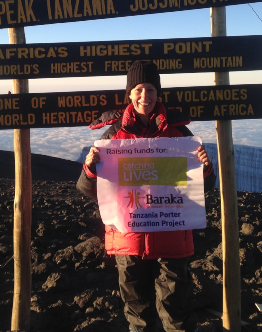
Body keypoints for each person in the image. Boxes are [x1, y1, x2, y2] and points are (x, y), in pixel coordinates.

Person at [76, 60, 216, 332]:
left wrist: (205, 168)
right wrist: (90, 168)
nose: (145, 96)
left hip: (171, 238)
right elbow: (87, 189)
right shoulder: (113, 135)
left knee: (177, 316)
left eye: (150, 89)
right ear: (129, 94)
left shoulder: (179, 133)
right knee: (138, 319)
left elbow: (202, 187)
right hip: (128, 239)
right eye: (139, 89)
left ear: (158, 93)